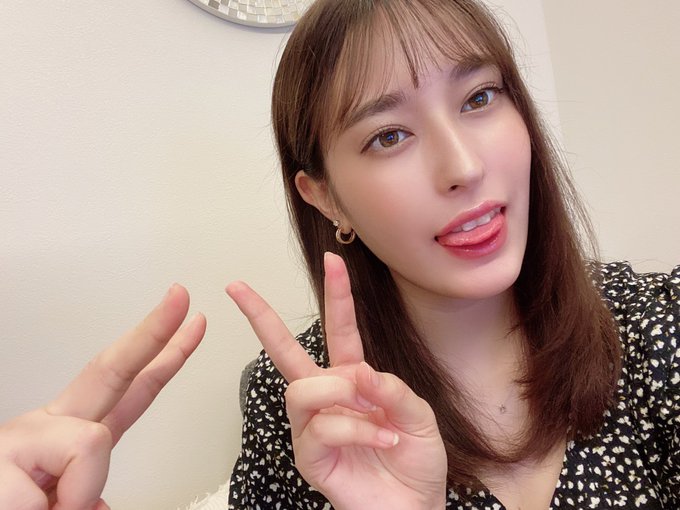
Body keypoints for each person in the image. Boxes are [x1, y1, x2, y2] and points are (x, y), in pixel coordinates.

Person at [0, 1, 677, 510]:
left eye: (479, 97)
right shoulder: (303, 408)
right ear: (325, 198)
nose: (464, 166)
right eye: (389, 136)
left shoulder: (656, 323)